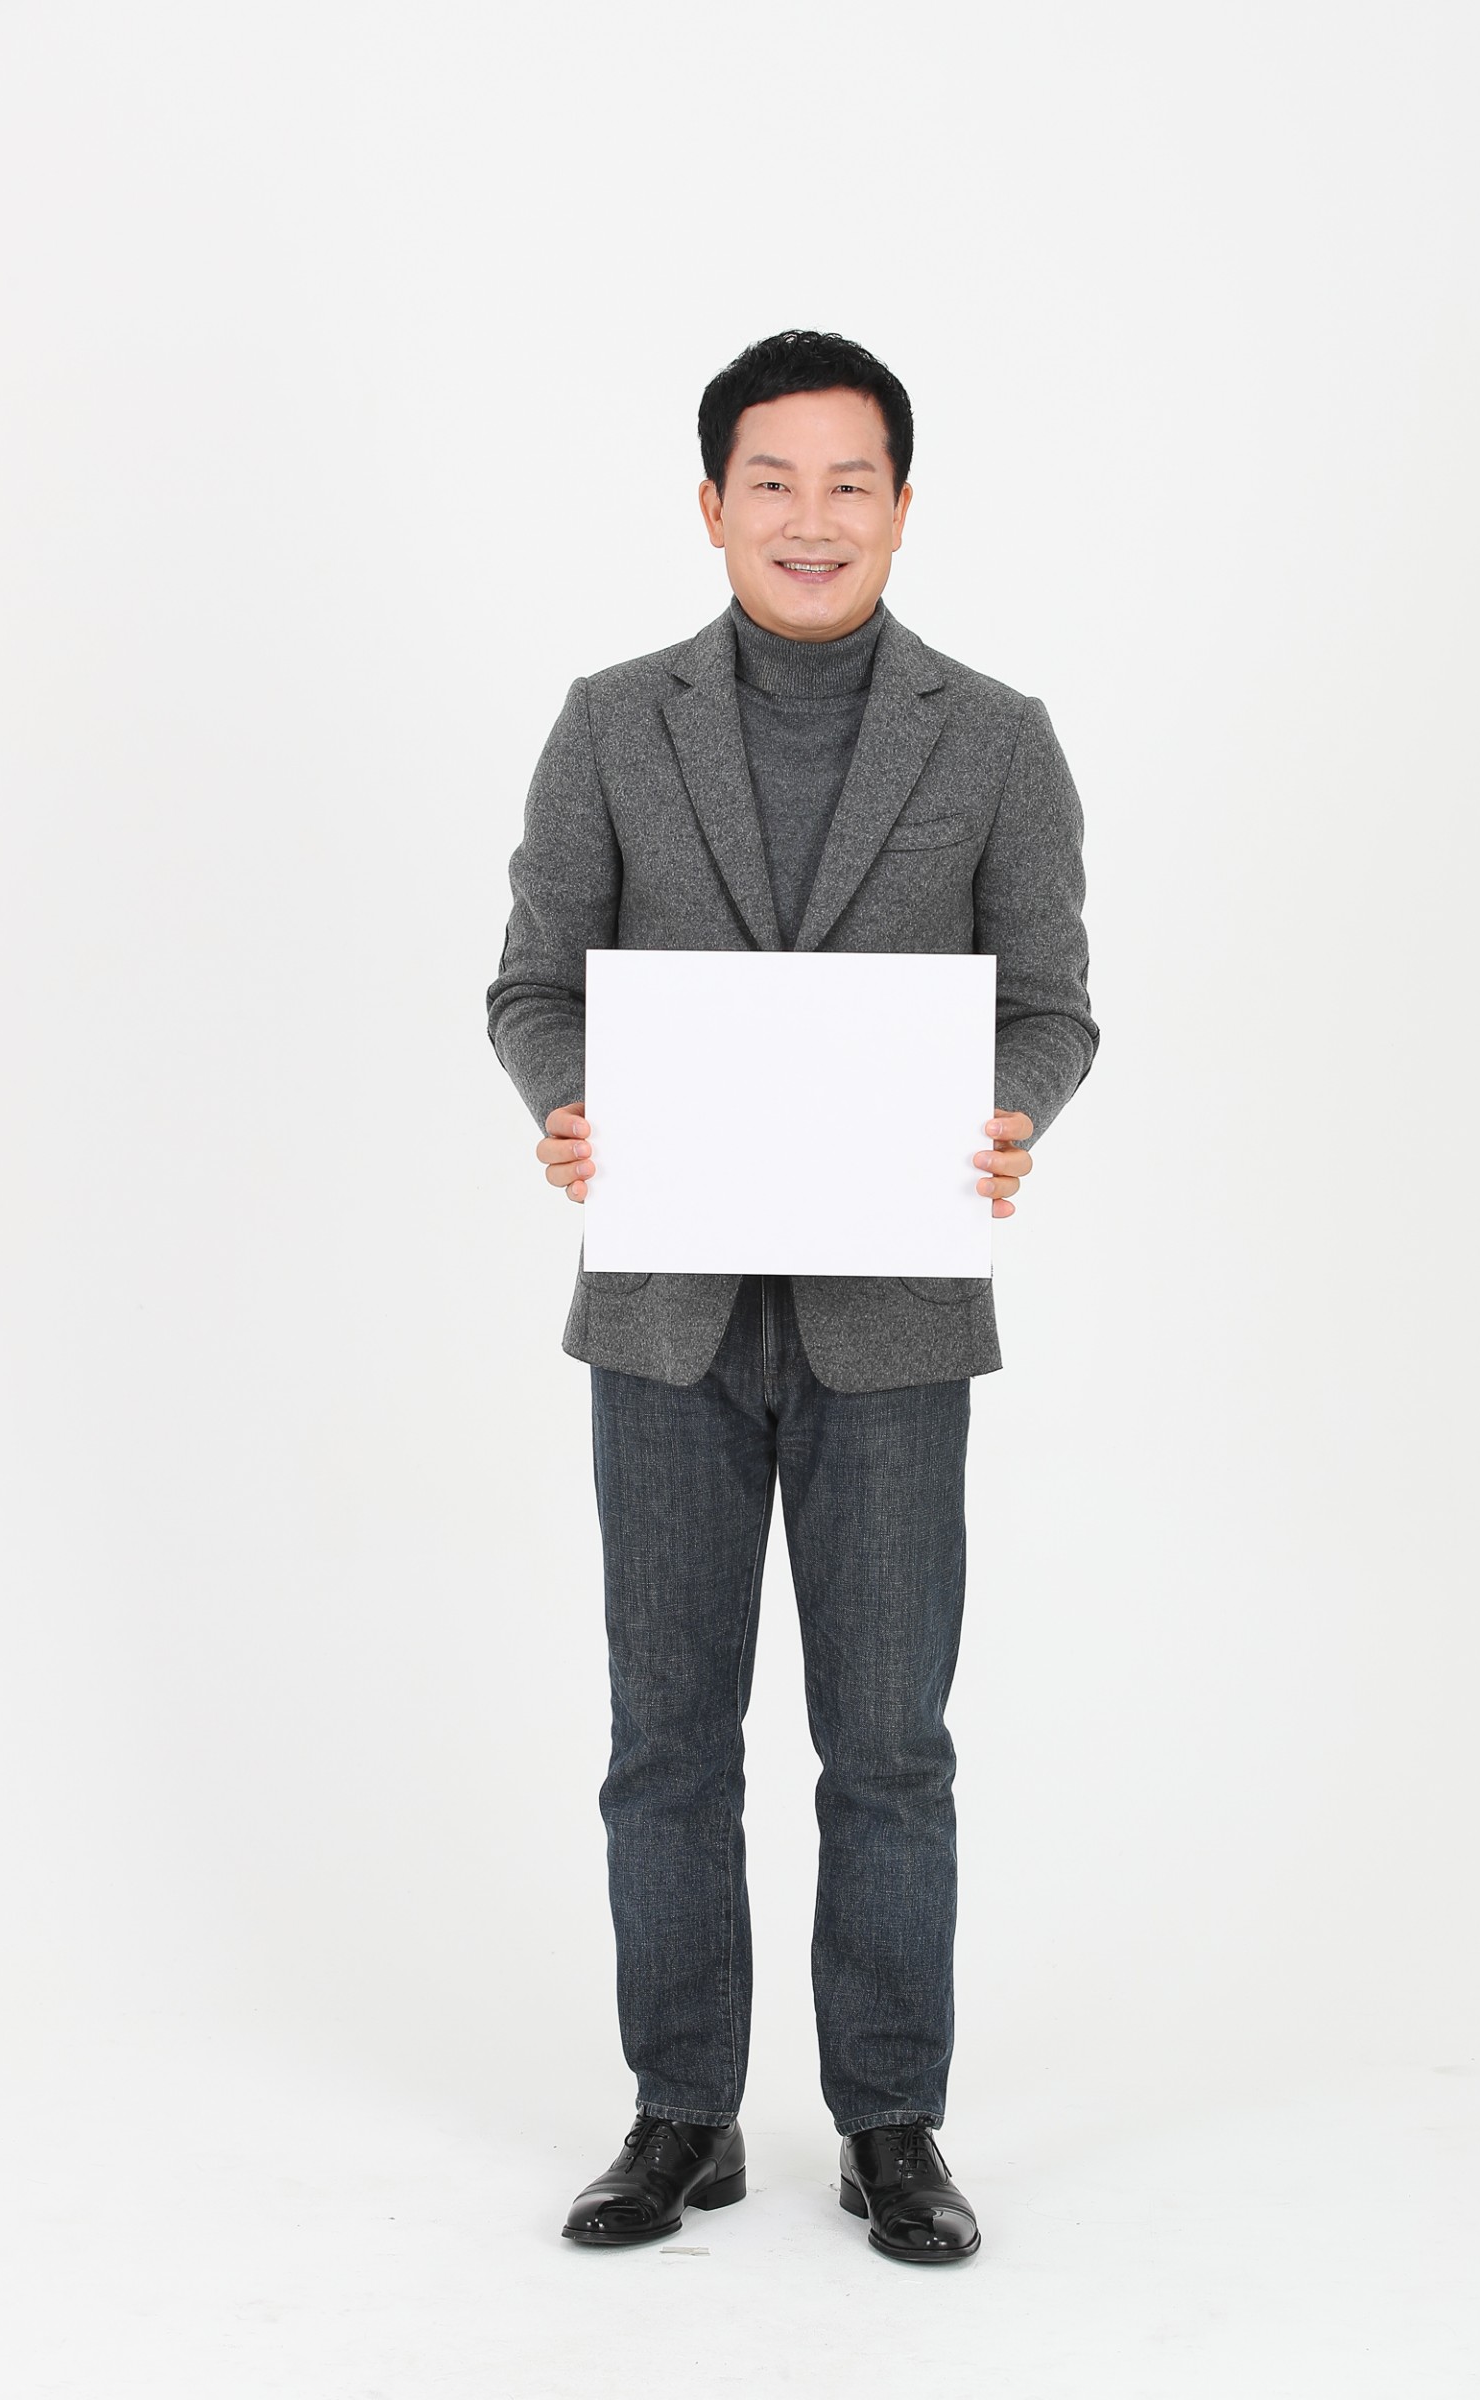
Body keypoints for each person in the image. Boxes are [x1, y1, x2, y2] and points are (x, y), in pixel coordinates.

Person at [485, 329, 1098, 2264]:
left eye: (851, 484)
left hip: (892, 1315)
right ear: (711, 505)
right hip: (666, 1314)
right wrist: (566, 1102)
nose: (811, 518)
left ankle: (891, 2124)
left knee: (889, 1744)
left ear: (903, 508)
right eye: (774, 481)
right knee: (665, 1737)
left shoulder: (995, 737)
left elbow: (1051, 1003)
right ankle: (681, 2112)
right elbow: (534, 982)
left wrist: (1012, 1111)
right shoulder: (612, 722)